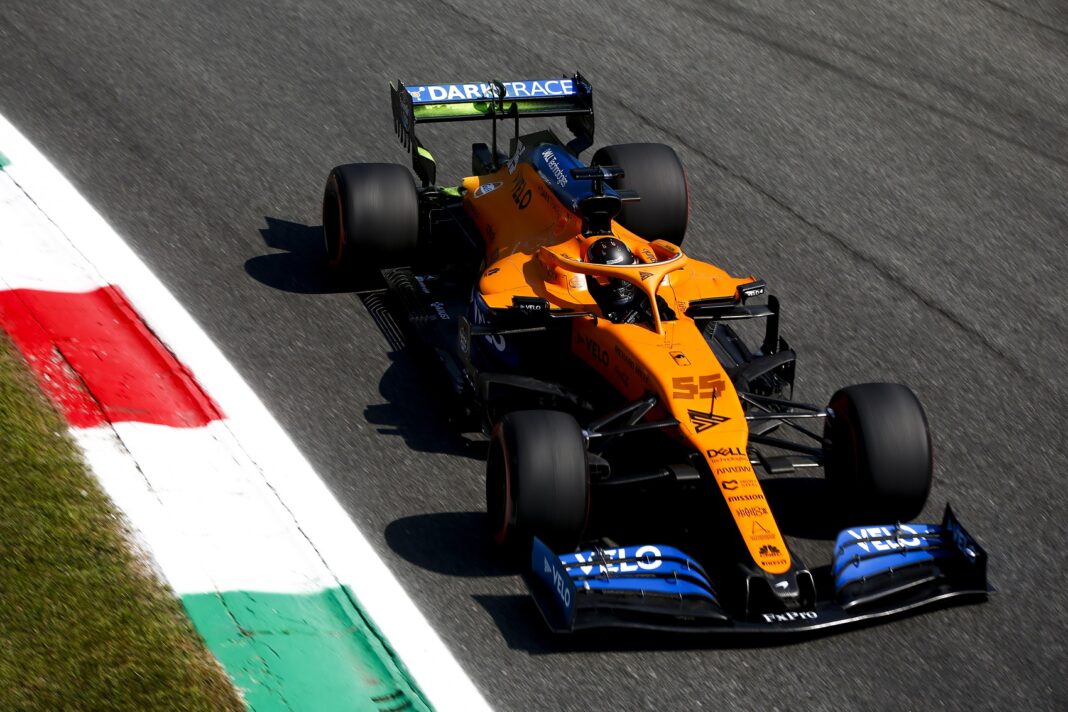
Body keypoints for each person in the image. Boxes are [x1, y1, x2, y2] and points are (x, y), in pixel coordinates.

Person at [586, 237, 675, 325]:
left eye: (625, 274)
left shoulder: (649, 299)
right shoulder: (590, 292)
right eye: (614, 277)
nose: (621, 283)